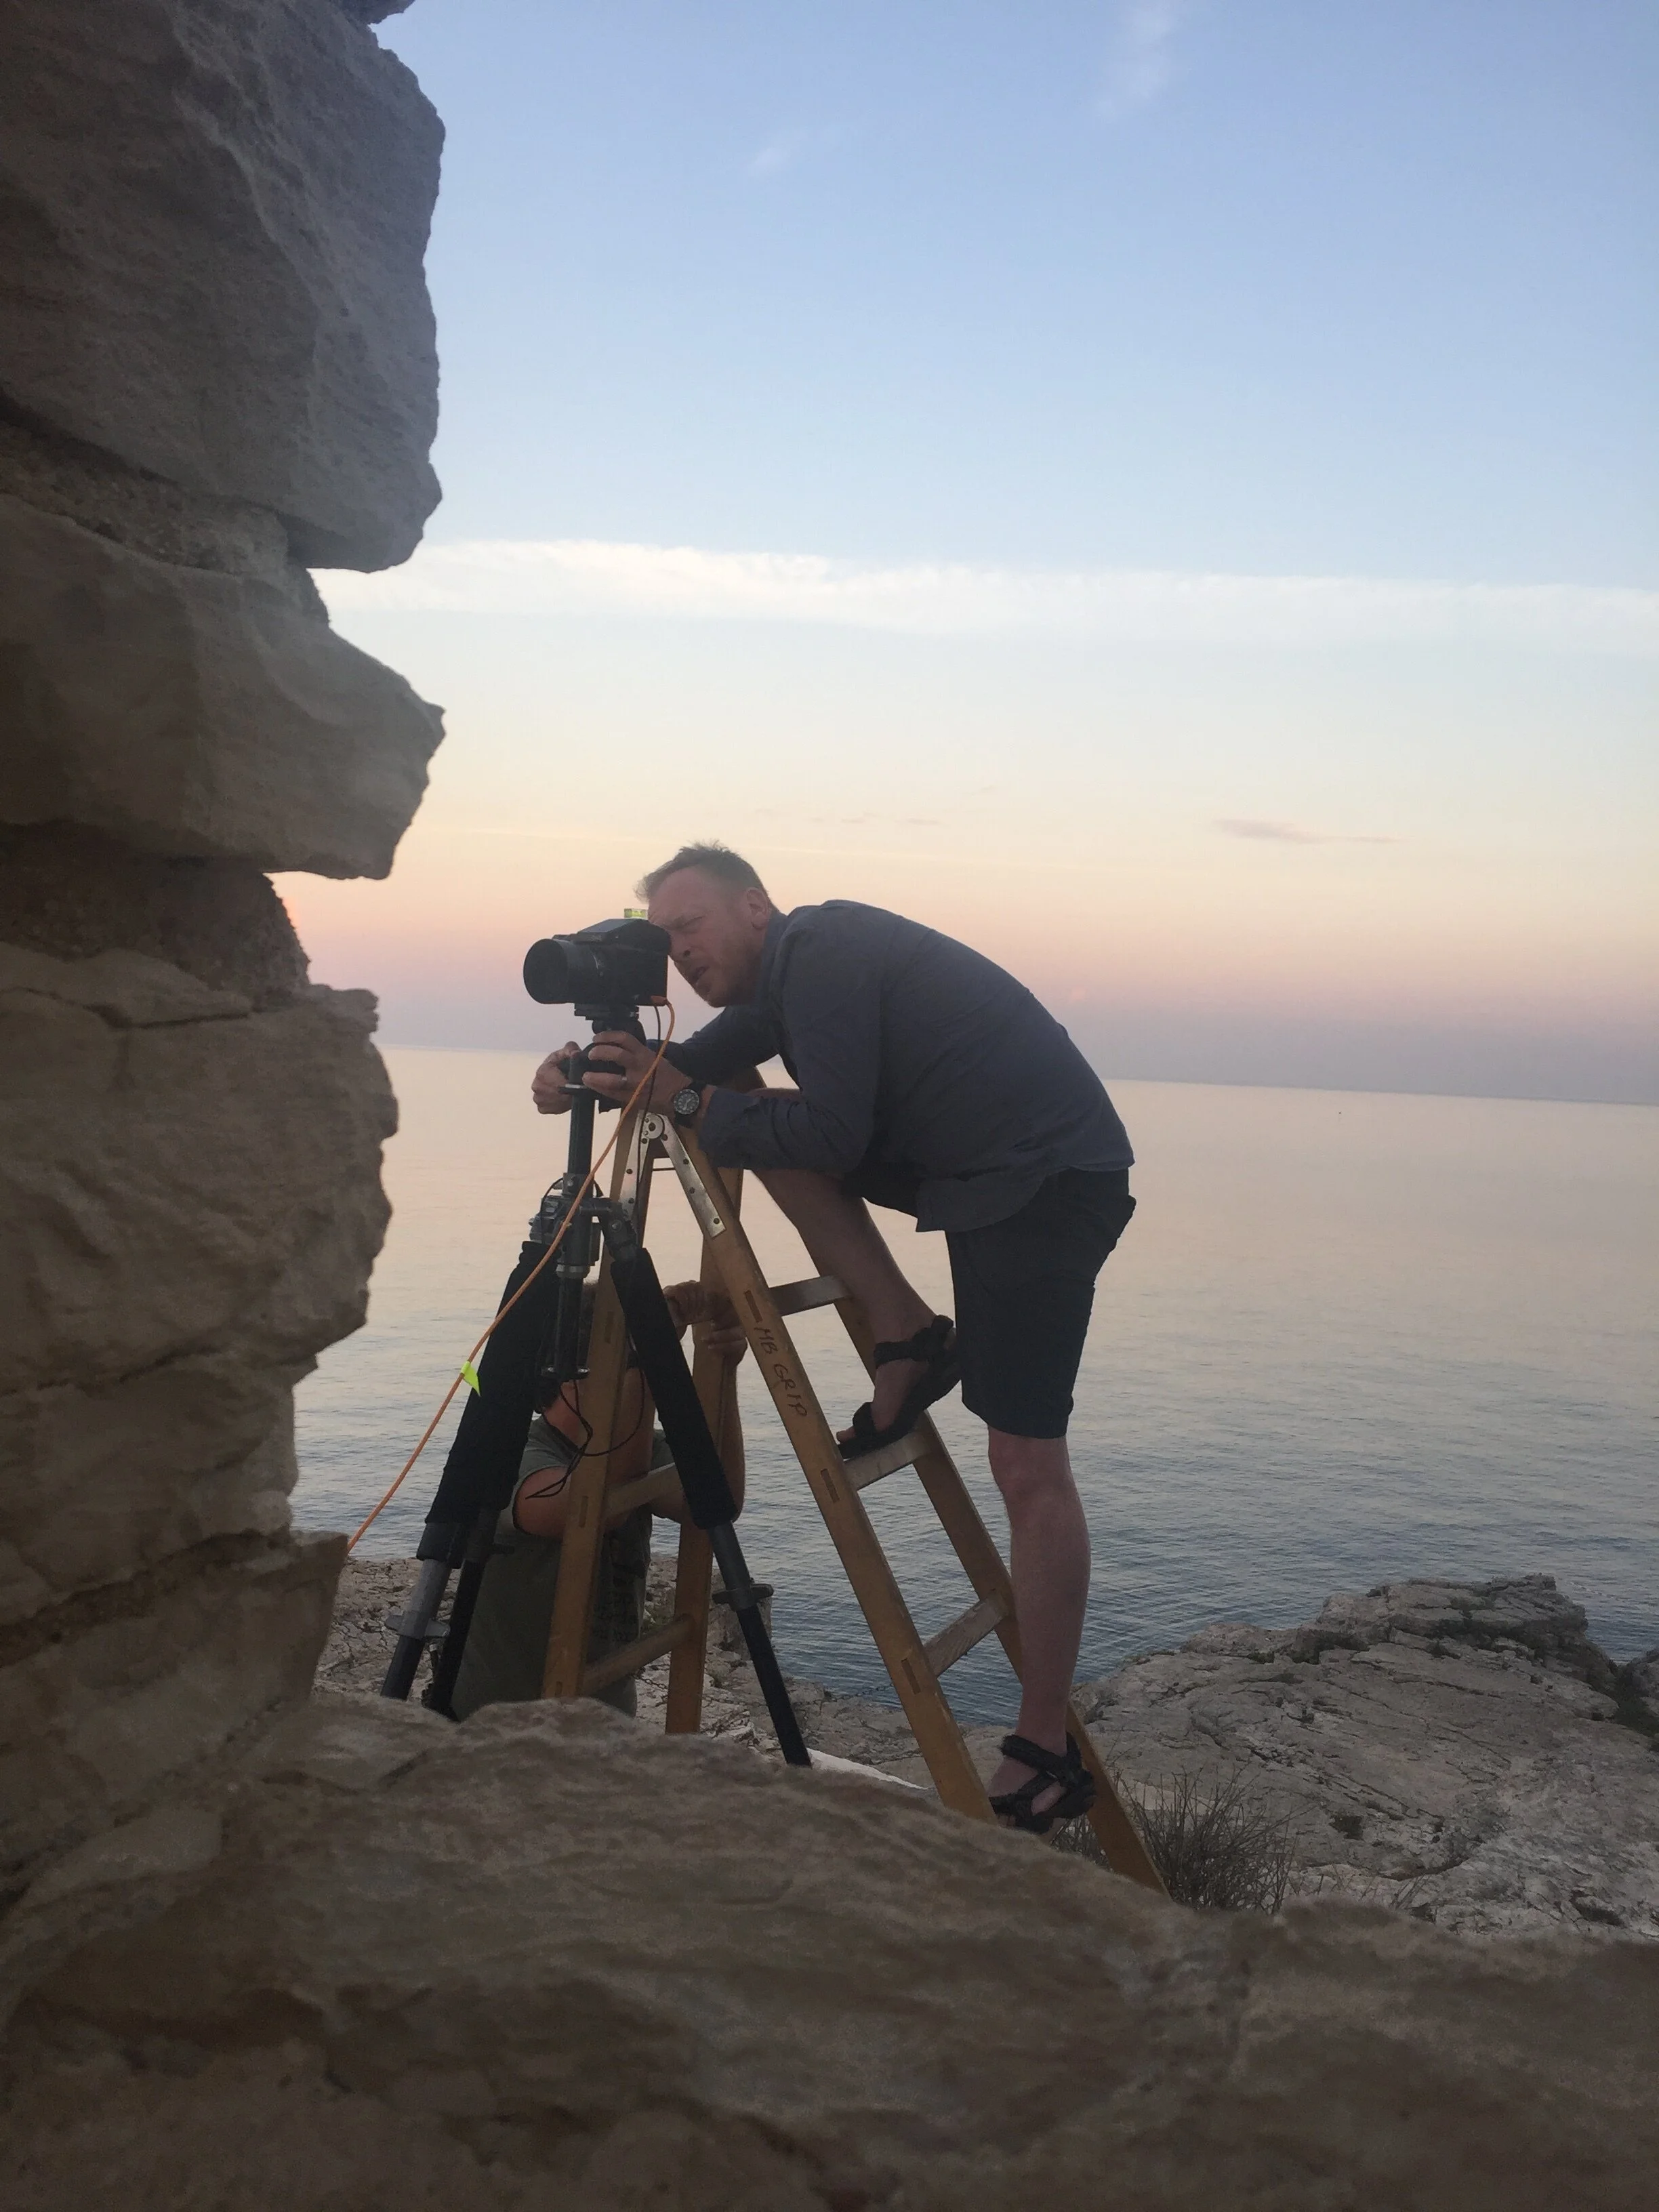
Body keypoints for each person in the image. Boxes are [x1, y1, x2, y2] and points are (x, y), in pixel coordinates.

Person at [531, 844, 1136, 1833]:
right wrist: (583, 1077)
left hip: (1042, 1184)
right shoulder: (783, 987)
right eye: (666, 940)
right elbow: (698, 1073)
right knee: (745, 1108)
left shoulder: (821, 951)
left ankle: (1046, 1749)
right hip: (982, 1172)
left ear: (755, 907)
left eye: (691, 926)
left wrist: (682, 1097)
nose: (680, 952)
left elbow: (827, 1135)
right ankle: (905, 1334)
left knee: (1028, 1466)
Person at [449, 1275, 747, 1721]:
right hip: (507, 1730)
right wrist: (647, 1353)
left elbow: (716, 1499)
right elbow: (594, 1511)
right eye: (621, 1365)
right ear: (574, 1377)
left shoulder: (638, 1449)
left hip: (602, 1722)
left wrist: (722, 1366)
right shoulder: (515, 1457)